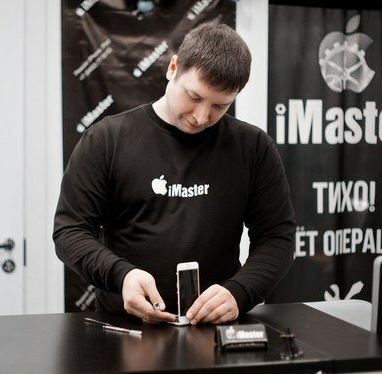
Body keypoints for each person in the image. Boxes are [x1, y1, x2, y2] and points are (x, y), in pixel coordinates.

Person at [53, 22, 295, 325]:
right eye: (193, 97)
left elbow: (277, 238)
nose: (201, 117)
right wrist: (122, 275)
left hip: (215, 328)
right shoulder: (106, 140)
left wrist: (240, 292)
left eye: (220, 106)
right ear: (173, 68)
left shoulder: (254, 147)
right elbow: (70, 231)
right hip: (124, 326)